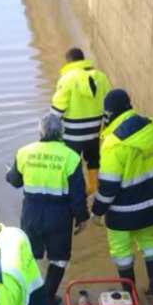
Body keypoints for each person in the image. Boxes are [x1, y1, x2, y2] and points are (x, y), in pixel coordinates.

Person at [91, 89, 153, 303]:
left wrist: (97, 212)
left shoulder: (113, 144)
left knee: (122, 252)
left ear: (109, 114)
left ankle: (131, 297)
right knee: (150, 243)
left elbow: (108, 187)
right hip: (151, 204)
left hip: (122, 212)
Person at [5, 115, 89, 305]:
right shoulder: (71, 157)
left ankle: (28, 298)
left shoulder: (24, 152)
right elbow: (78, 196)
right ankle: (48, 298)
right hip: (59, 217)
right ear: (61, 133)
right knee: (59, 259)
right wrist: (82, 218)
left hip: (31, 214)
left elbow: (15, 181)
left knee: (30, 257)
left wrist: (8, 173)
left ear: (40, 132)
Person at [49, 47, 112, 195]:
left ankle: (76, 195)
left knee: (72, 165)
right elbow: (109, 106)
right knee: (93, 161)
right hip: (94, 134)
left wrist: (50, 134)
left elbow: (57, 111)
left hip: (72, 136)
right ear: (83, 60)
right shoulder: (101, 78)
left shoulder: (66, 79)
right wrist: (106, 129)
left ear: (68, 61)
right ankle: (92, 190)